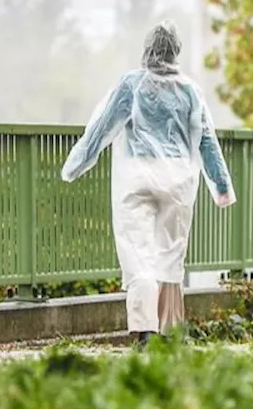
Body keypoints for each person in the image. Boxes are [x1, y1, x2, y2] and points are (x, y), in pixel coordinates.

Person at [60, 22, 235, 348]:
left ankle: (145, 331)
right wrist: (221, 186)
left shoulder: (132, 84)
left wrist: (75, 165)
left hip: (136, 177)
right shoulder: (190, 91)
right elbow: (207, 140)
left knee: (139, 255)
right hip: (178, 182)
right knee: (170, 256)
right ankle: (170, 331)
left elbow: (100, 129)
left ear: (147, 50)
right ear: (175, 53)